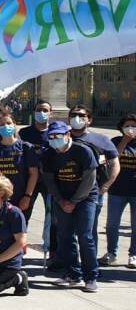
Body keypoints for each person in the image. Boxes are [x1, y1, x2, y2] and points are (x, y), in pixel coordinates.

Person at [42, 121, 100, 292]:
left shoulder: (83, 151)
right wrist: (61, 201)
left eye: (58, 136)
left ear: (68, 135)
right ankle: (73, 274)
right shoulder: (48, 155)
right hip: (62, 199)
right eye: (51, 137)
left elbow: (89, 180)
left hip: (85, 198)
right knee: (65, 236)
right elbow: (49, 181)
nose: (54, 140)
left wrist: (74, 202)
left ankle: (91, 276)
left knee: (85, 236)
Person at [67, 105, 120, 250]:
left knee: (88, 231)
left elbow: (115, 164)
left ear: (89, 120)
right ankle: (68, 262)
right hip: (66, 191)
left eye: (81, 115)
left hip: (92, 193)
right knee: (65, 230)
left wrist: (105, 187)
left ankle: (90, 263)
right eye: (73, 115)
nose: (76, 118)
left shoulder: (101, 140)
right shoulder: (62, 137)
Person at [0, 113, 39, 220]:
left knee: (19, 232)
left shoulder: (26, 147)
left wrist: (27, 196)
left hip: (20, 198)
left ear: (14, 125)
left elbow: (33, 174)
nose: (6, 126)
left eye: (8, 123)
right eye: (2, 124)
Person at [20, 100, 56, 263]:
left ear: (51, 113)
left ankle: (52, 250)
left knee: (53, 217)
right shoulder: (25, 133)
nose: (41, 112)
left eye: (45, 110)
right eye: (38, 110)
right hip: (30, 181)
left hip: (51, 181)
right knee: (24, 213)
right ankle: (19, 247)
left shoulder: (56, 131)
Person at [104, 114, 136, 269]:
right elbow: (113, 159)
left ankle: (134, 254)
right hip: (117, 190)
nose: (131, 128)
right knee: (112, 224)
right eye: (127, 125)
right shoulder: (116, 141)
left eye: (134, 126)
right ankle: (111, 253)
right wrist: (125, 141)